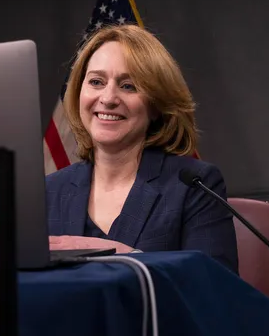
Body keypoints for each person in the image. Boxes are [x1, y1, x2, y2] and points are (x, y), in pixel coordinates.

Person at [46, 25, 239, 273]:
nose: (108, 98)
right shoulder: (48, 193)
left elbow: (213, 290)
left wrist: (129, 257)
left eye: (129, 86)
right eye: (96, 81)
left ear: (157, 104)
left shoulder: (194, 187)